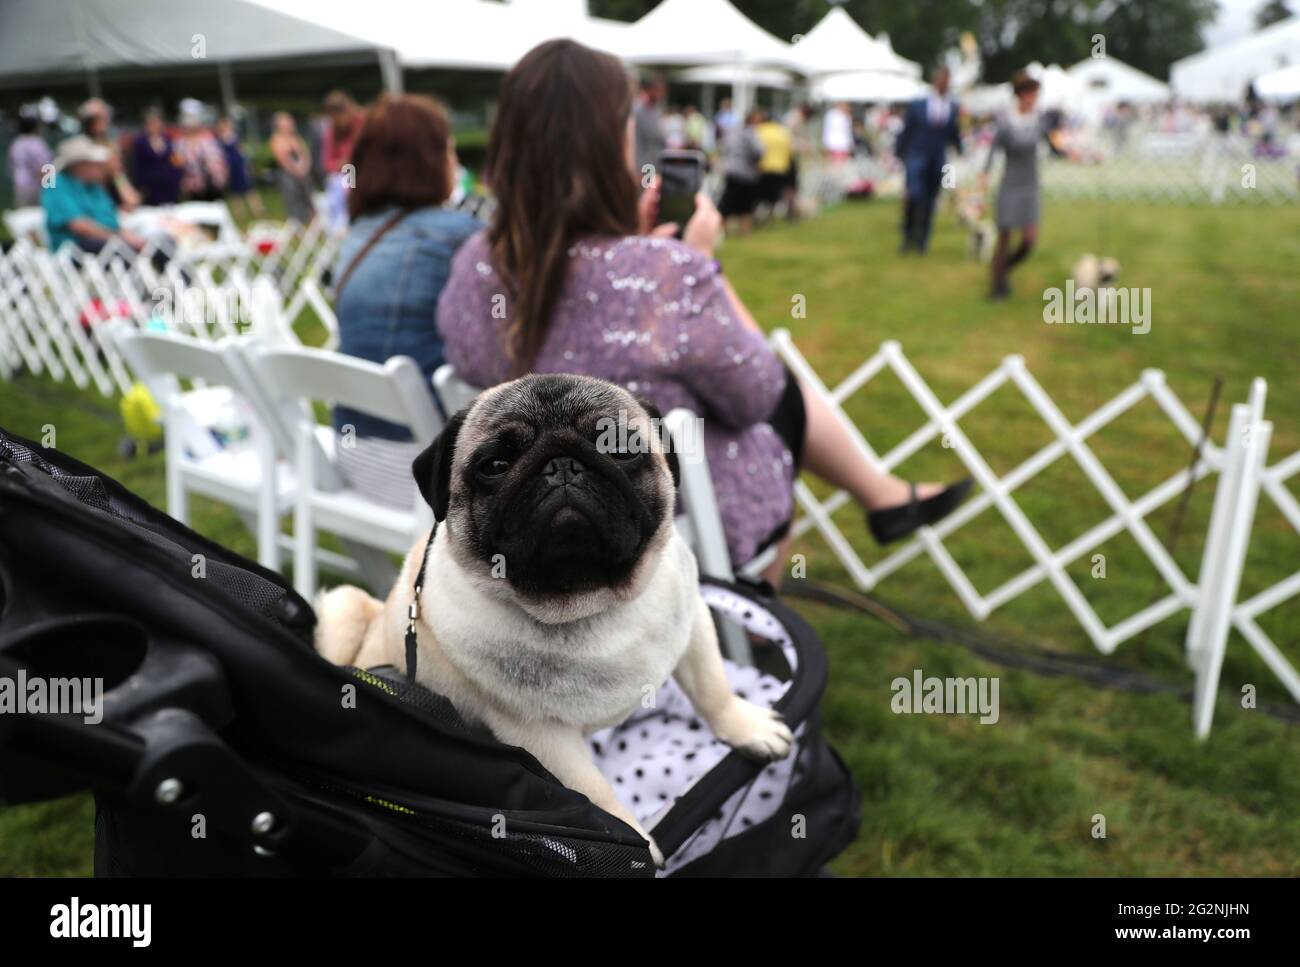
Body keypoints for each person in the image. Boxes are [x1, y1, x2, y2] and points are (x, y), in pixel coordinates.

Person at [436, 39, 970, 578]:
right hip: (664, 517)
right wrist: (694, 264)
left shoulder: (472, 265)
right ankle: (764, 629)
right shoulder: (666, 273)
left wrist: (645, 253)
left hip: (521, 521)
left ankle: (880, 497)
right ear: (612, 142)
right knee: (771, 413)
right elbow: (758, 392)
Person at [331, 93, 481, 508]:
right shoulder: (457, 234)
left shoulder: (359, 232)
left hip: (354, 453)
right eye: (448, 145)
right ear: (430, 158)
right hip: (429, 472)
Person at [981, 71, 1047, 300]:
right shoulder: (1006, 121)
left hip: (1031, 184)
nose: (1033, 98)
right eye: (1029, 93)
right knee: (1005, 237)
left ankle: (1004, 268)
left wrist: (1080, 155)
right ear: (1020, 95)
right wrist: (985, 175)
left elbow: (1056, 142)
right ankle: (997, 286)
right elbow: (993, 150)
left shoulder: (1040, 120)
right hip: (1010, 183)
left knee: (1029, 240)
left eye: (1035, 94)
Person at [896, 65, 962, 254]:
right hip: (917, 156)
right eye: (942, 79)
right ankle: (908, 236)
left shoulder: (952, 107)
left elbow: (953, 133)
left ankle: (922, 241)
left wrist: (959, 148)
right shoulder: (918, 104)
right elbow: (907, 131)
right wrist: (900, 154)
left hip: (938, 159)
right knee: (914, 196)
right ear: (936, 80)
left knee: (931, 201)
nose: (945, 84)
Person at [42, 135, 147, 253]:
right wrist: (117, 237)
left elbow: (113, 220)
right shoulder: (56, 185)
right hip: (75, 247)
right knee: (123, 249)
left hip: (105, 242)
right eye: (93, 162)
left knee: (157, 244)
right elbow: (78, 225)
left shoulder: (94, 186)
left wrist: (126, 236)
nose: (99, 166)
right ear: (79, 165)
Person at [78, 98, 141, 210]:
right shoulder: (77, 145)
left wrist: (128, 197)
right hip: (83, 201)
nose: (104, 123)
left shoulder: (109, 144)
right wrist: (49, 191)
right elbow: (49, 167)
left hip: (104, 201)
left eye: (105, 118)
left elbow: (118, 176)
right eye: (99, 119)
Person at [321, 90, 363, 233]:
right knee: (344, 179)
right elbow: (327, 163)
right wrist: (342, 163)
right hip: (346, 174)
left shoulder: (363, 123)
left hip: (365, 172)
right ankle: (341, 225)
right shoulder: (331, 132)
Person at [718, 108, 764, 234]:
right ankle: (745, 230)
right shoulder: (750, 132)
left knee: (726, 202)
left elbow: (725, 148)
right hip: (746, 172)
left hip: (731, 169)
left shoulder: (733, 131)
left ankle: (722, 229)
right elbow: (758, 151)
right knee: (746, 204)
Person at [174, 105, 228, 202]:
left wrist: (218, 177)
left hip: (211, 184)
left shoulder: (207, 140)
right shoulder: (180, 144)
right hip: (192, 186)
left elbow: (217, 162)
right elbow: (177, 163)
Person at [269, 111, 315, 225]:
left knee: (308, 198)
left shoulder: (296, 138)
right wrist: (296, 171)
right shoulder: (277, 139)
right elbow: (283, 159)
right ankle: (297, 224)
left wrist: (305, 167)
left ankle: (312, 222)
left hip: (303, 173)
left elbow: (305, 153)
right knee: (293, 199)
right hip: (289, 174)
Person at [215, 115, 263, 221]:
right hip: (230, 168)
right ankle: (239, 214)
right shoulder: (219, 140)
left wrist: (247, 163)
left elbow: (242, 151)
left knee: (249, 190)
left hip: (240, 167)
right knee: (235, 193)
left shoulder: (234, 137)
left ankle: (258, 211)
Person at [130, 108, 182, 206]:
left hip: (169, 185)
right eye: (151, 123)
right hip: (151, 187)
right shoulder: (140, 142)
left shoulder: (168, 140)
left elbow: (176, 161)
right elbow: (138, 165)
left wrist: (177, 177)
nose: (154, 126)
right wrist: (140, 185)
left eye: (156, 123)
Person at [754, 109, 795, 219]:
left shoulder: (759, 130)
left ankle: (756, 217)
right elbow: (789, 151)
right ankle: (771, 216)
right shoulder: (782, 131)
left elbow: (755, 150)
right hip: (780, 167)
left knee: (760, 195)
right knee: (774, 195)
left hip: (764, 167)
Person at [8, 113, 52, 208]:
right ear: (35, 127)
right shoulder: (37, 143)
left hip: (20, 186)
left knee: (22, 217)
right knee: (38, 218)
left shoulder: (16, 143)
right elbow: (43, 168)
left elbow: (11, 166)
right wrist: (49, 187)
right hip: (35, 188)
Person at [633, 73, 667, 177]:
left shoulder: (654, 108)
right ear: (650, 89)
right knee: (647, 191)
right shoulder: (640, 109)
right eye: (659, 90)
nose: (662, 94)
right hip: (645, 165)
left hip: (652, 163)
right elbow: (654, 134)